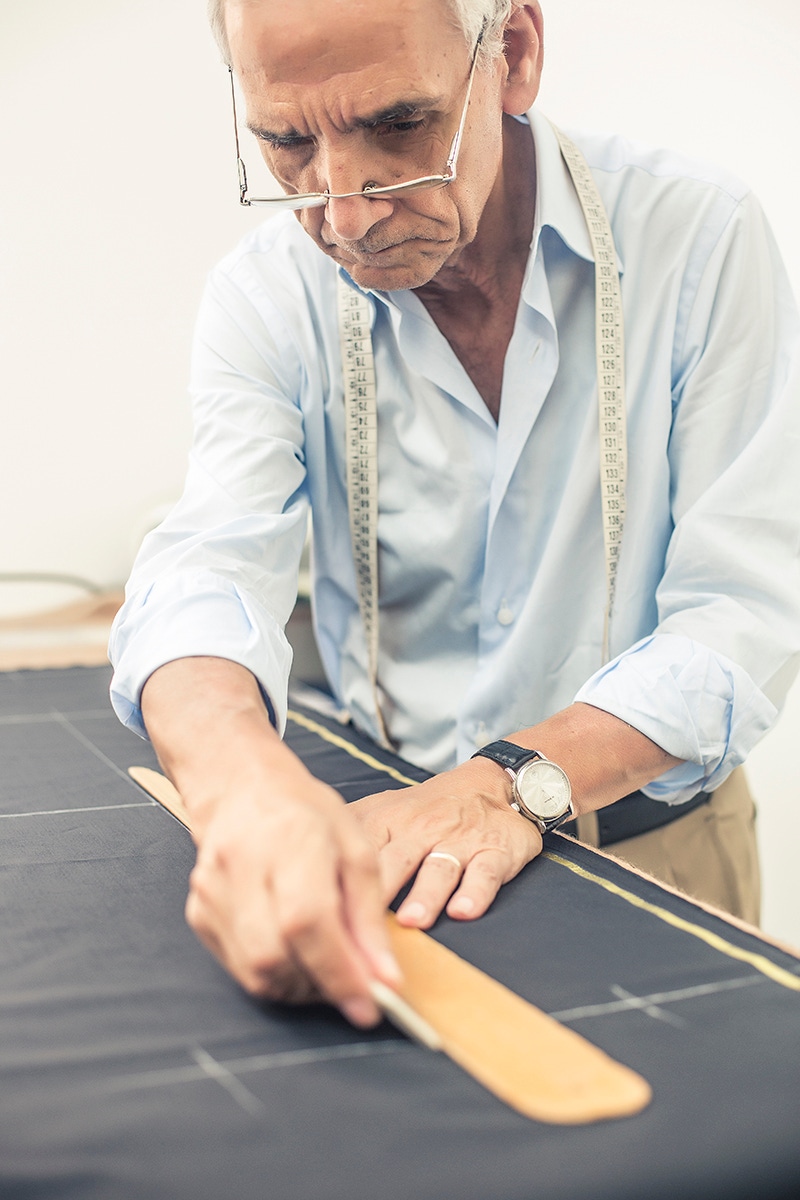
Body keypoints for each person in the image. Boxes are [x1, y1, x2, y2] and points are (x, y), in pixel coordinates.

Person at [109, 0, 800, 1029]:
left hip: (654, 847)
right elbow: (205, 566)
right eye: (287, 141)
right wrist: (244, 790)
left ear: (512, 55)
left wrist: (507, 785)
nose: (341, 212)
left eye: (397, 125)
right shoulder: (266, 295)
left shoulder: (695, 239)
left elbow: (742, 610)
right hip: (391, 842)